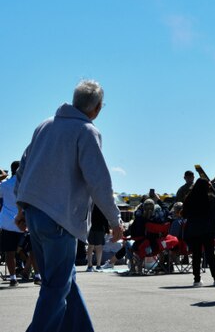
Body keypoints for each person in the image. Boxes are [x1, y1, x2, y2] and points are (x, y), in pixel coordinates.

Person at [14, 79, 124, 331]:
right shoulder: (87, 131)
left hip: (35, 214)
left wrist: (21, 207)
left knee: (64, 282)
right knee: (57, 287)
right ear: (96, 108)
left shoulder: (45, 125)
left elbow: (23, 167)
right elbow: (99, 181)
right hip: (60, 219)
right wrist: (114, 220)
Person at [1, 161, 40, 286]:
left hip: (8, 222)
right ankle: (37, 276)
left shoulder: (4, 185)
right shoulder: (27, 184)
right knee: (33, 250)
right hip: (26, 221)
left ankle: (13, 278)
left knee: (9, 252)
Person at [182, 178, 215, 287]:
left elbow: (184, 213)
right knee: (210, 255)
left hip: (193, 230)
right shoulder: (209, 198)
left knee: (196, 255)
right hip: (207, 229)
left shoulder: (189, 198)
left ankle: (197, 280)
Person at [85, 205, 110, 272]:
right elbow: (105, 218)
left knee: (90, 246)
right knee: (98, 247)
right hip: (100, 227)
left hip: (90, 227)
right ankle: (98, 265)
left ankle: (89, 265)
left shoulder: (90, 204)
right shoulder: (102, 204)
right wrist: (107, 230)